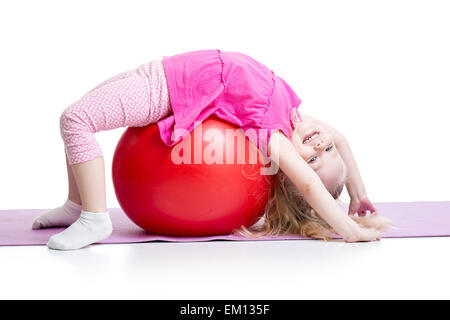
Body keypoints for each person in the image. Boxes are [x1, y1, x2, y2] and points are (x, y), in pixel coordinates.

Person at [32, 49, 390, 250]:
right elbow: (340, 137)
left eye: (311, 160)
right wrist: (359, 196)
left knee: (76, 119)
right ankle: (75, 203)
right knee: (81, 110)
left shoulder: (274, 137)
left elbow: (311, 186)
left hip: (166, 92)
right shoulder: (294, 117)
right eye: (327, 150)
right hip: (163, 69)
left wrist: (348, 228)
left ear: (291, 166)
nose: (320, 145)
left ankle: (94, 218)